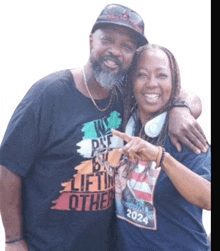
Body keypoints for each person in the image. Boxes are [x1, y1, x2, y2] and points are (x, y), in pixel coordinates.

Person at [0, 4, 208, 251]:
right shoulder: (49, 94)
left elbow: (171, 90)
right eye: (107, 40)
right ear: (91, 41)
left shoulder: (128, 97)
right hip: (47, 244)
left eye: (127, 47)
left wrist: (180, 108)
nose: (115, 52)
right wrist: (13, 238)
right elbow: (9, 167)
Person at [112, 44, 211, 250]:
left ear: (173, 83)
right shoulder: (123, 127)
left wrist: (161, 158)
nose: (151, 83)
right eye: (142, 75)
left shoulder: (184, 135)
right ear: (131, 82)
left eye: (162, 75)